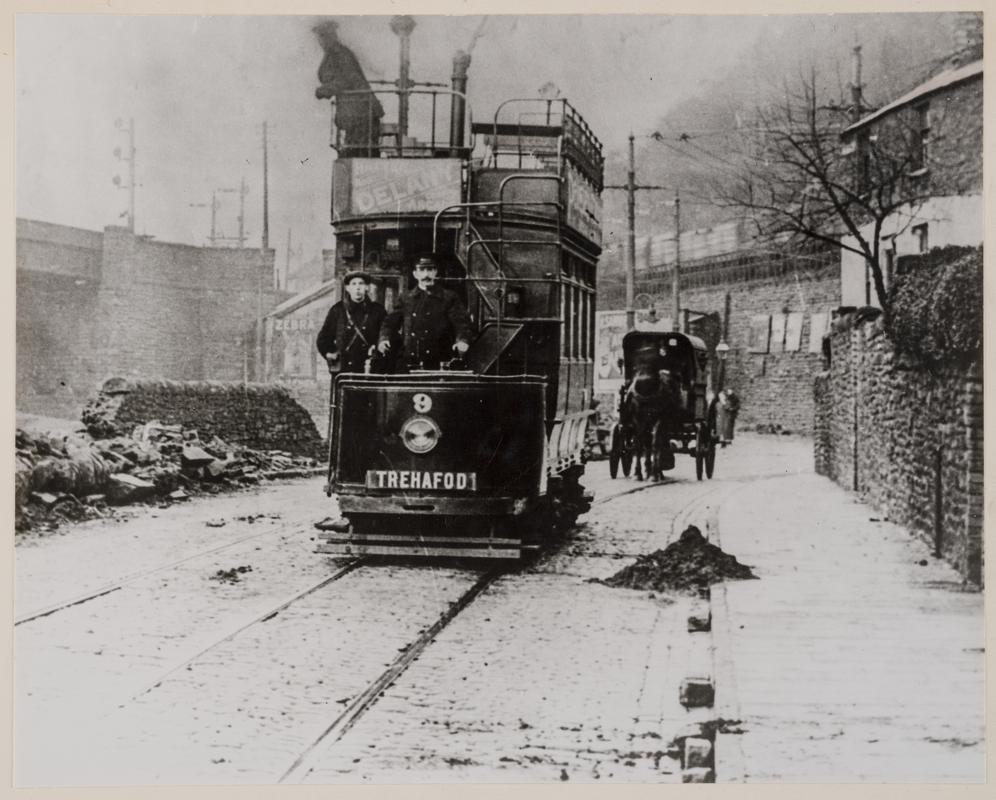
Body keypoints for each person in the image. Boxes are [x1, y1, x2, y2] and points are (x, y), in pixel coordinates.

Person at [377, 257, 474, 371]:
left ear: (435, 272)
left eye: (430, 270)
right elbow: (389, 323)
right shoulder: (406, 298)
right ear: (415, 274)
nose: (426, 274)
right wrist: (384, 339)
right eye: (422, 270)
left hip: (439, 362)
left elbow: (462, 323)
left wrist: (462, 340)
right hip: (410, 360)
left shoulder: (449, 297)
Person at [315, 271, 386, 374]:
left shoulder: (377, 311)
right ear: (348, 288)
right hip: (344, 369)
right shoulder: (338, 310)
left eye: (361, 284)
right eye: (353, 284)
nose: (357, 288)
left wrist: (377, 351)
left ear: (367, 287)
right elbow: (323, 339)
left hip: (369, 368)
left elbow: (386, 335)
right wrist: (330, 353)